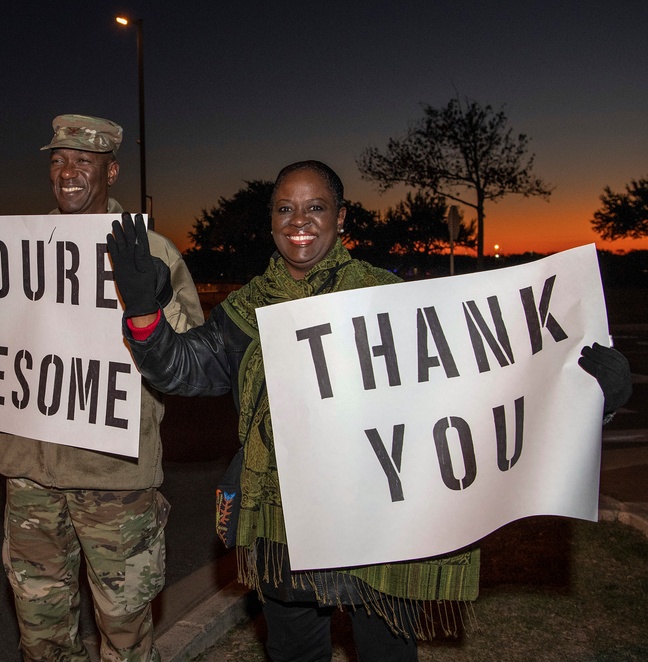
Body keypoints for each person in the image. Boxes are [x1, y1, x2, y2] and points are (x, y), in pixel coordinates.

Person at [106, 160, 633, 662]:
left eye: (315, 207)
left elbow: (479, 388)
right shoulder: (248, 310)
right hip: (282, 524)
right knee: (292, 653)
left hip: (380, 527)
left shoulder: (388, 298)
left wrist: (587, 399)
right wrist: (145, 314)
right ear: (271, 222)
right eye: (284, 209)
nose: (299, 221)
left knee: (386, 653)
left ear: (341, 218)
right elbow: (181, 369)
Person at [0, 114, 203, 661]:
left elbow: (189, 363)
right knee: (41, 634)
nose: (68, 172)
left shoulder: (153, 253)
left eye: (83, 162)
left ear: (110, 170)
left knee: (125, 635)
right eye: (58, 160)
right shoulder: (12, 251)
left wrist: (154, 301)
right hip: (30, 480)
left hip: (114, 481)